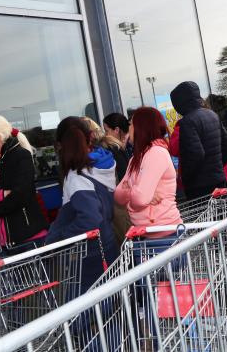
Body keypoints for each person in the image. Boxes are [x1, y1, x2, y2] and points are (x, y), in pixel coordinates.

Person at [46, 117, 119, 291]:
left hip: (89, 253)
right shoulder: (101, 165)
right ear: (91, 136)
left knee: (82, 312)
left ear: (60, 145)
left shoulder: (77, 176)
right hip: (106, 243)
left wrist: (62, 237)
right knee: (109, 306)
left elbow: (90, 218)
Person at [0, 115, 48, 256]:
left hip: (29, 241)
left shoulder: (21, 156)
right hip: (4, 245)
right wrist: (0, 195)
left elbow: (19, 197)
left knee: (37, 279)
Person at [115, 107, 182, 240]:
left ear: (141, 127)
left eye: (131, 124)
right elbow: (118, 196)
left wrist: (134, 190)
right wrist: (137, 193)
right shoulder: (136, 158)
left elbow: (139, 199)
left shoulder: (156, 152)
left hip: (164, 235)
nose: (129, 129)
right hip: (146, 233)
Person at [169, 81, 227, 201]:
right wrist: (217, 167)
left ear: (179, 103)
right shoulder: (212, 114)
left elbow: (196, 154)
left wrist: (186, 178)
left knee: (206, 218)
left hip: (199, 186)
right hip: (219, 179)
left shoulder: (187, 121)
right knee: (221, 216)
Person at [85, 117, 132, 242]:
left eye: (106, 130)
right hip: (120, 208)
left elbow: (123, 176)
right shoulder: (110, 150)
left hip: (116, 209)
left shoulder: (107, 149)